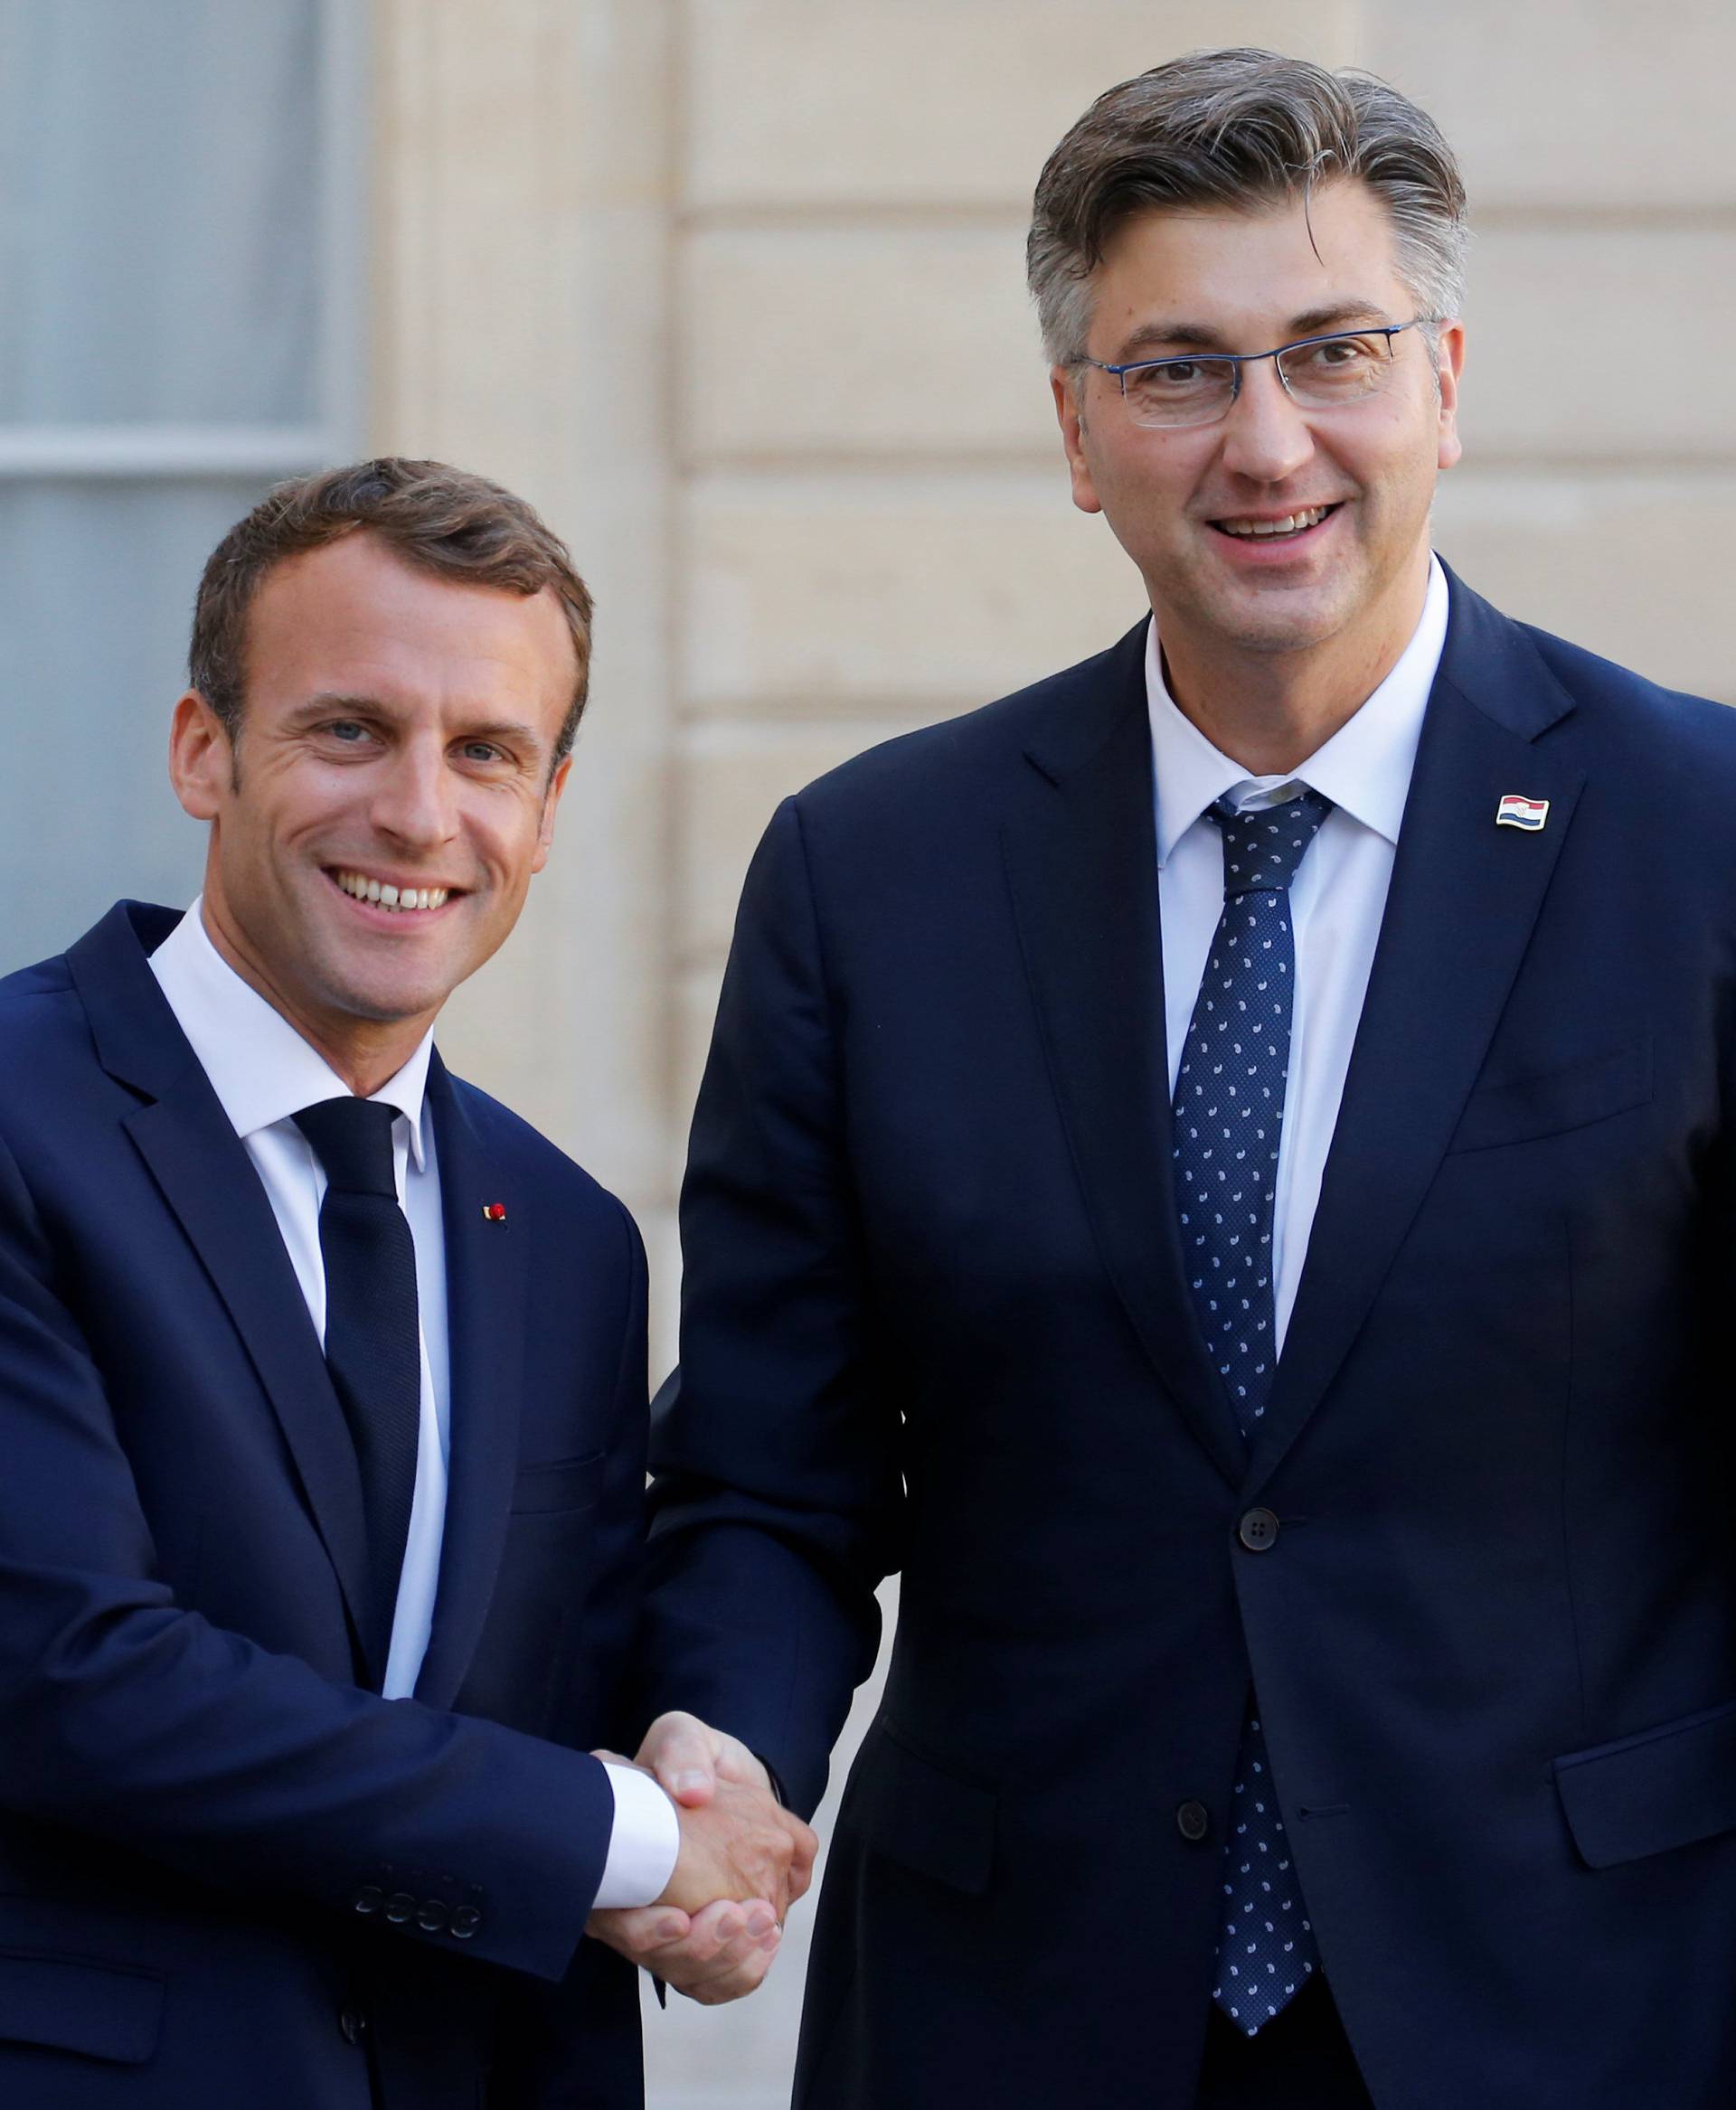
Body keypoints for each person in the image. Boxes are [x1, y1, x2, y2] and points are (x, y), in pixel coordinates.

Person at [637, 47, 1736, 2110]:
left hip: (1588, 2002)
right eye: (1177, 370)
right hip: (1012, 2008)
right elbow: (771, 1478)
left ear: (1445, 383)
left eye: (1332, 351)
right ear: (1076, 428)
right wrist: (722, 1744)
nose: (1264, 441)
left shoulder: (1702, 839)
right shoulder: (874, 875)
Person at [0, 458, 812, 2109]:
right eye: (351, 730)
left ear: (549, 809)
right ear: (202, 750)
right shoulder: (20, 1119)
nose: (423, 814)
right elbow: (74, 1678)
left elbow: (560, 1687)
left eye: (489, 753)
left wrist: (710, 1770)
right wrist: (637, 1837)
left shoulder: (570, 1238)